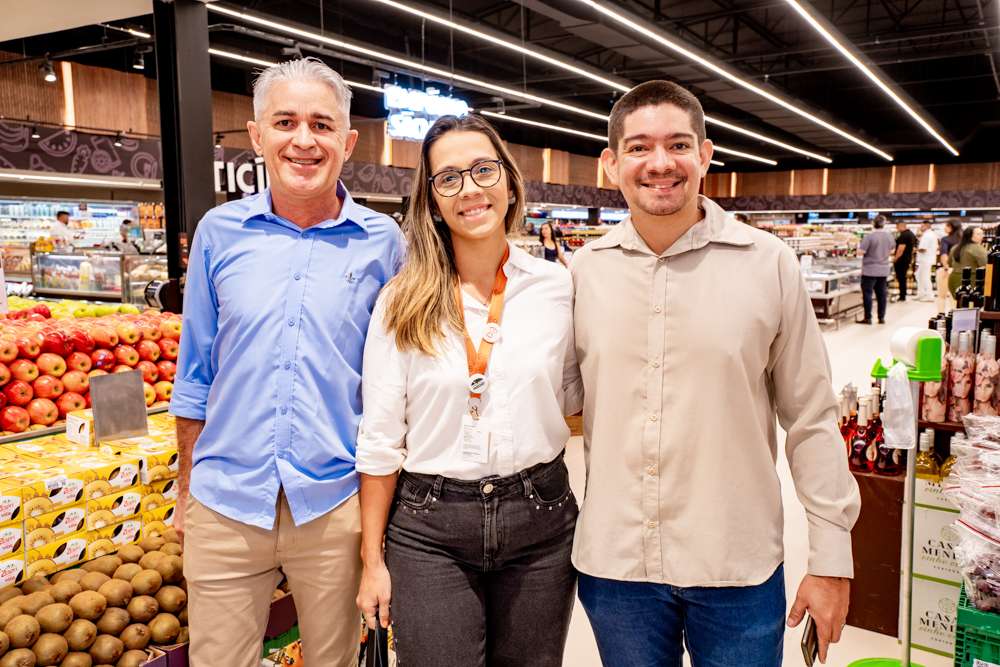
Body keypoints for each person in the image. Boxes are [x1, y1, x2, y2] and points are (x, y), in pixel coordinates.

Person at [570, 80, 861, 667]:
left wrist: (831, 557)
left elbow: (811, 417)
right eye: (638, 147)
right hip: (616, 568)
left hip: (736, 566)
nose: (660, 163)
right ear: (611, 163)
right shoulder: (582, 272)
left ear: (705, 155)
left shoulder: (769, 264)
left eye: (678, 145)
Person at [169, 58, 403, 667]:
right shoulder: (218, 233)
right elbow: (194, 375)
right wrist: (186, 491)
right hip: (225, 501)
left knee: (336, 660)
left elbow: (398, 384)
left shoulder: (383, 243)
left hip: (335, 504)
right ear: (256, 136)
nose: (304, 140)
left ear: (347, 142)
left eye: (322, 125)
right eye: (285, 122)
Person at [354, 114, 584, 667]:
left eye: (484, 169)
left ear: (509, 183)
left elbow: (573, 395)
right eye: (449, 178)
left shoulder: (557, 286)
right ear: (433, 201)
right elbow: (380, 439)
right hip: (430, 528)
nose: (470, 189)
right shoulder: (401, 301)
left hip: (541, 517)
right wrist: (371, 562)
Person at [856, 215, 894, 324]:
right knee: (881, 293)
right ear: (884, 224)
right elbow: (892, 251)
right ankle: (881, 317)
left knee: (867, 293)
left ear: (873, 224)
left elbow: (861, 252)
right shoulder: (889, 237)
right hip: (883, 269)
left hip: (869, 269)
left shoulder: (869, 237)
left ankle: (867, 317)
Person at [948, 226, 987, 297]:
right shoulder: (978, 249)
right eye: (979, 234)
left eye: (982, 234)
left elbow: (949, 263)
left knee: (958, 301)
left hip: (953, 278)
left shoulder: (955, 247)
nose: (982, 236)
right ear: (970, 236)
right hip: (971, 280)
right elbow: (986, 265)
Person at [938, 220, 961, 313]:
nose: (945, 227)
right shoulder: (963, 240)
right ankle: (954, 315)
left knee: (942, 296)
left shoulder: (945, 239)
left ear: (952, 227)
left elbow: (944, 254)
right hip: (958, 270)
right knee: (954, 297)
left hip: (946, 269)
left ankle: (941, 315)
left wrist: (946, 268)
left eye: (947, 226)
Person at [893, 221, 917, 301]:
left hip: (901, 260)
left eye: (897, 227)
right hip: (907, 258)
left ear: (900, 226)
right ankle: (903, 294)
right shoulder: (911, 234)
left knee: (901, 277)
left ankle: (902, 295)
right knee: (903, 277)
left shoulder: (904, 235)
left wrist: (895, 258)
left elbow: (901, 249)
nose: (897, 229)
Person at [915, 220, 937, 301]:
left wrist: (915, 249)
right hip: (927, 259)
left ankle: (929, 295)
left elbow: (923, 249)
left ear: (928, 226)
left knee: (925, 277)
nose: (920, 228)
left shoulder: (927, 235)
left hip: (925, 259)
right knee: (919, 275)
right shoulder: (932, 234)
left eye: (922, 226)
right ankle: (921, 293)